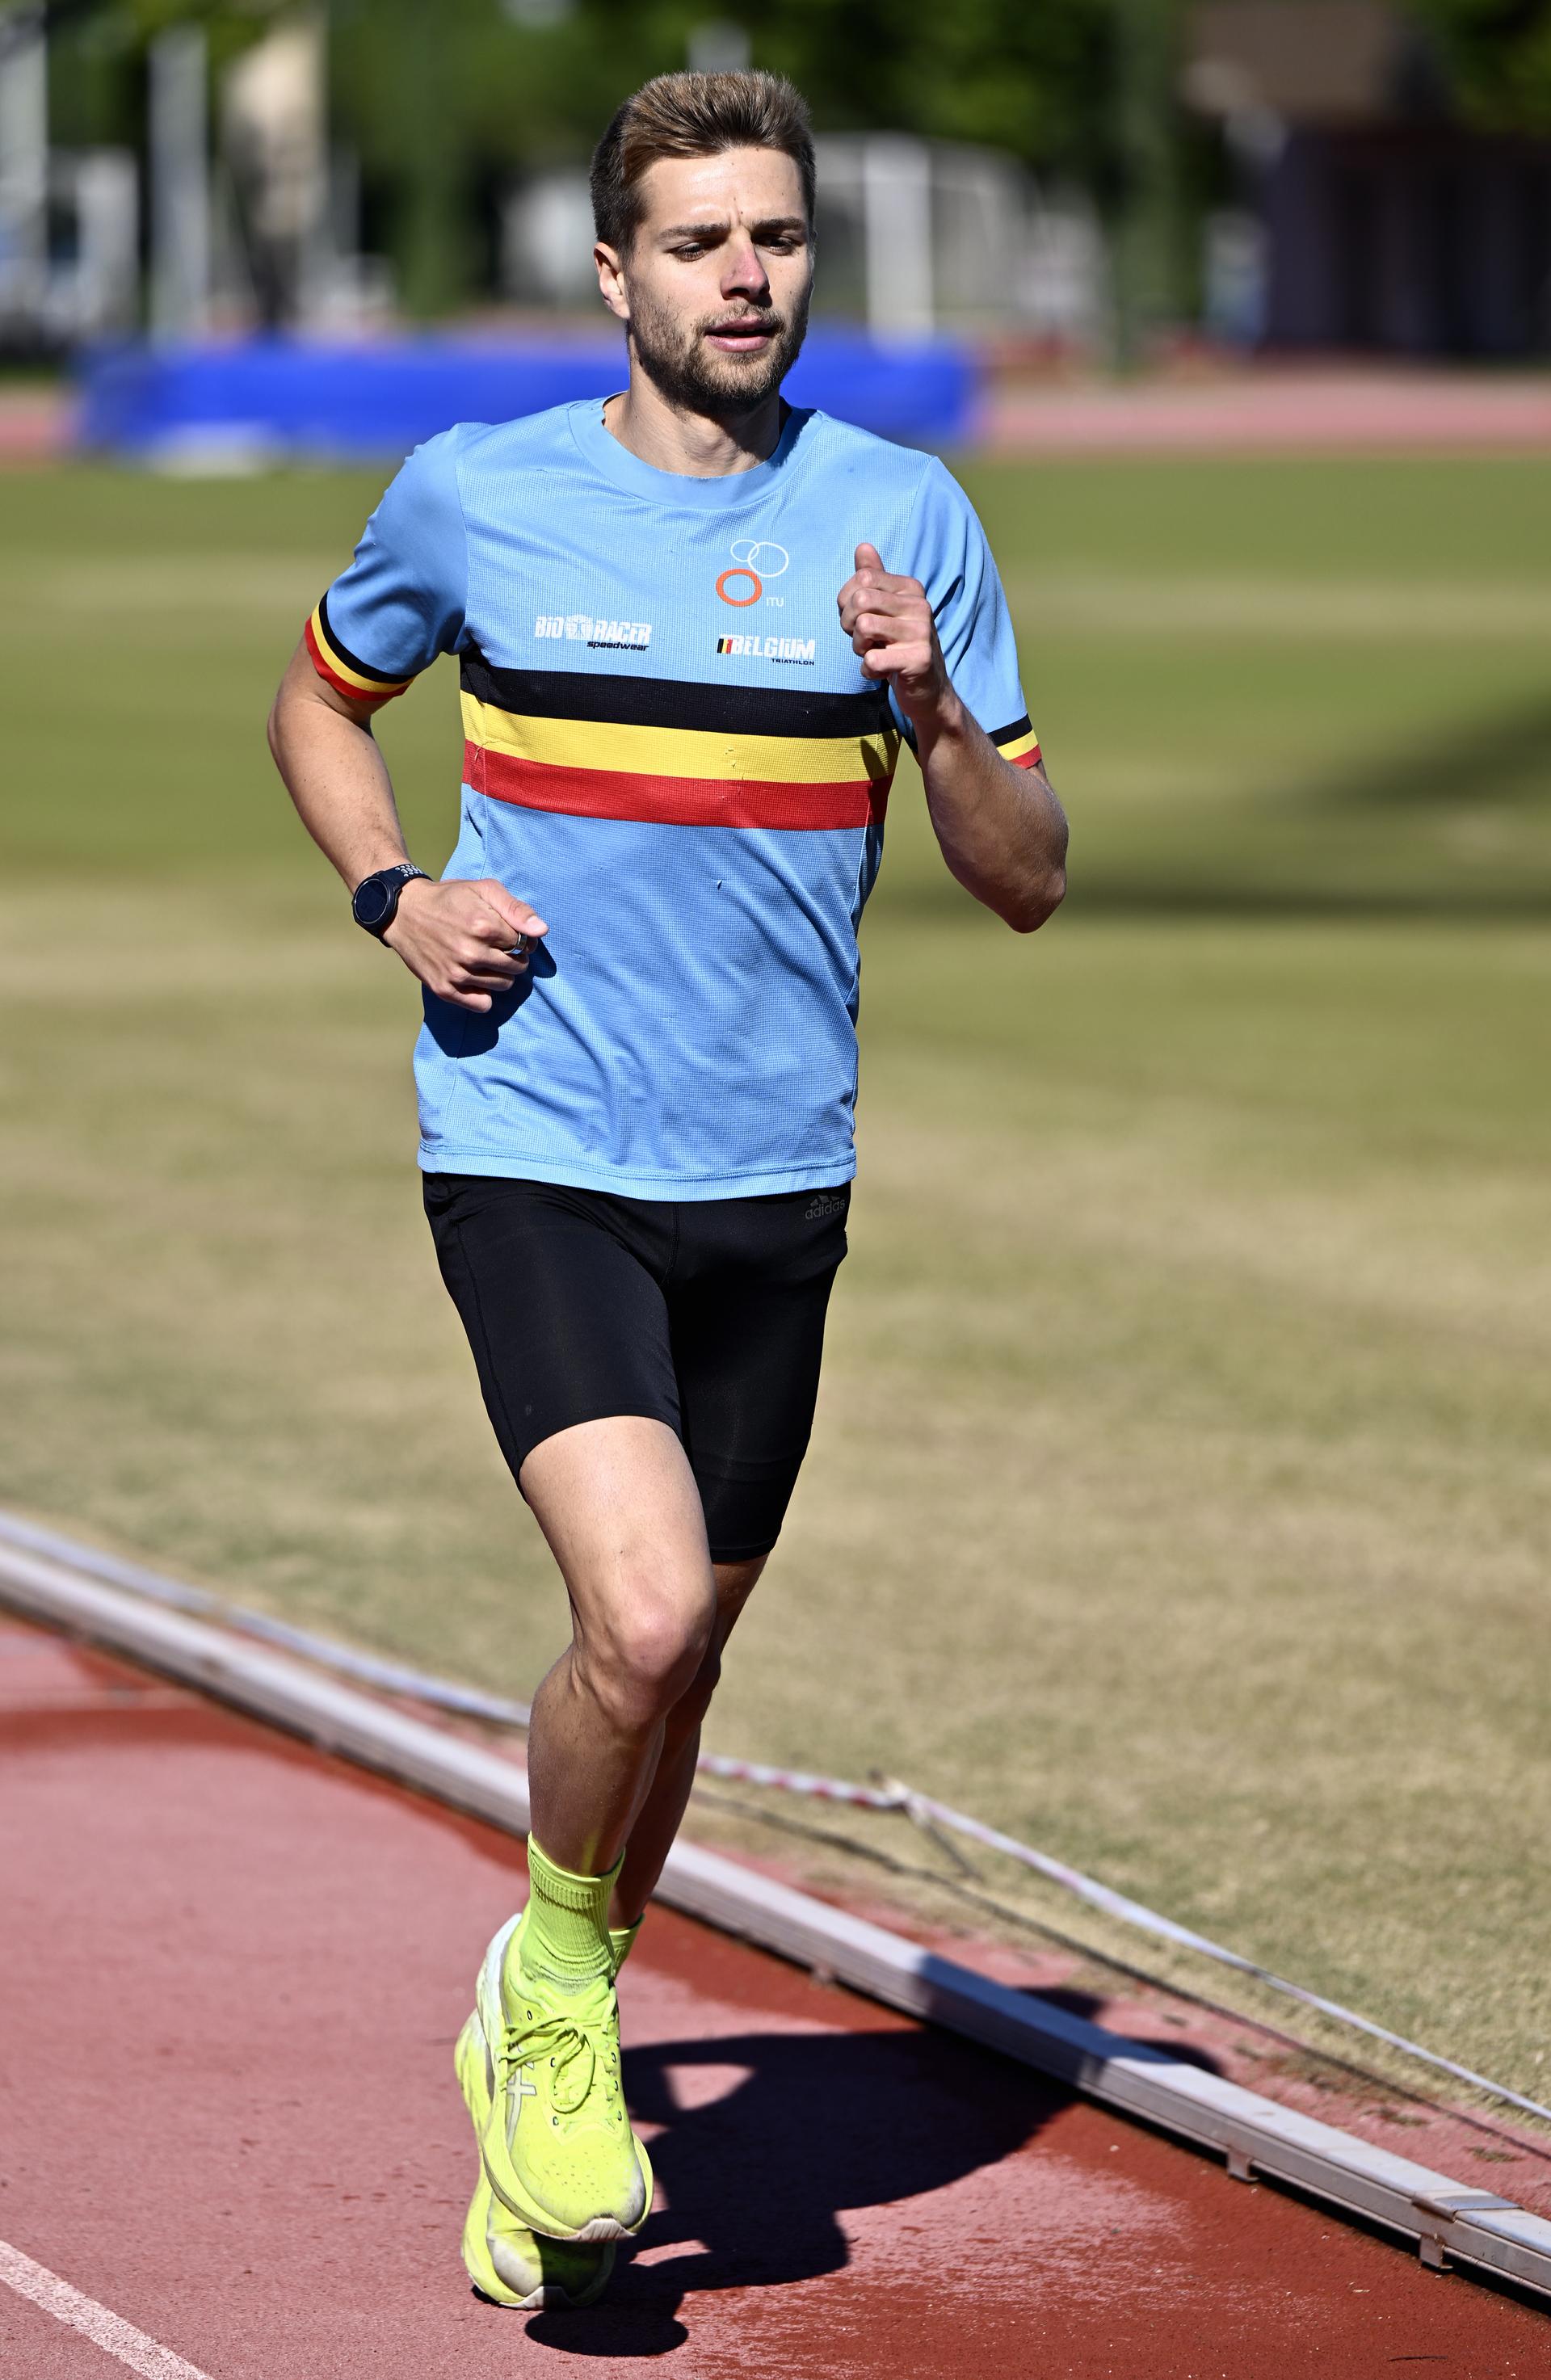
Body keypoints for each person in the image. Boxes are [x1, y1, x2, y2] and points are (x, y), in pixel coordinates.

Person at [267, 68, 1067, 2313]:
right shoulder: (477, 496)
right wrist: (396, 896)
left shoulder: (904, 518)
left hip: (774, 1183)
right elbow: (318, 707)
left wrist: (926, 715)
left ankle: (556, 2031)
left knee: (687, 1651)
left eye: (781, 238)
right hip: (536, 1147)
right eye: (704, 241)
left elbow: (1026, 878)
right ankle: (547, 1990)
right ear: (615, 273)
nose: (749, 274)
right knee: (632, 1615)